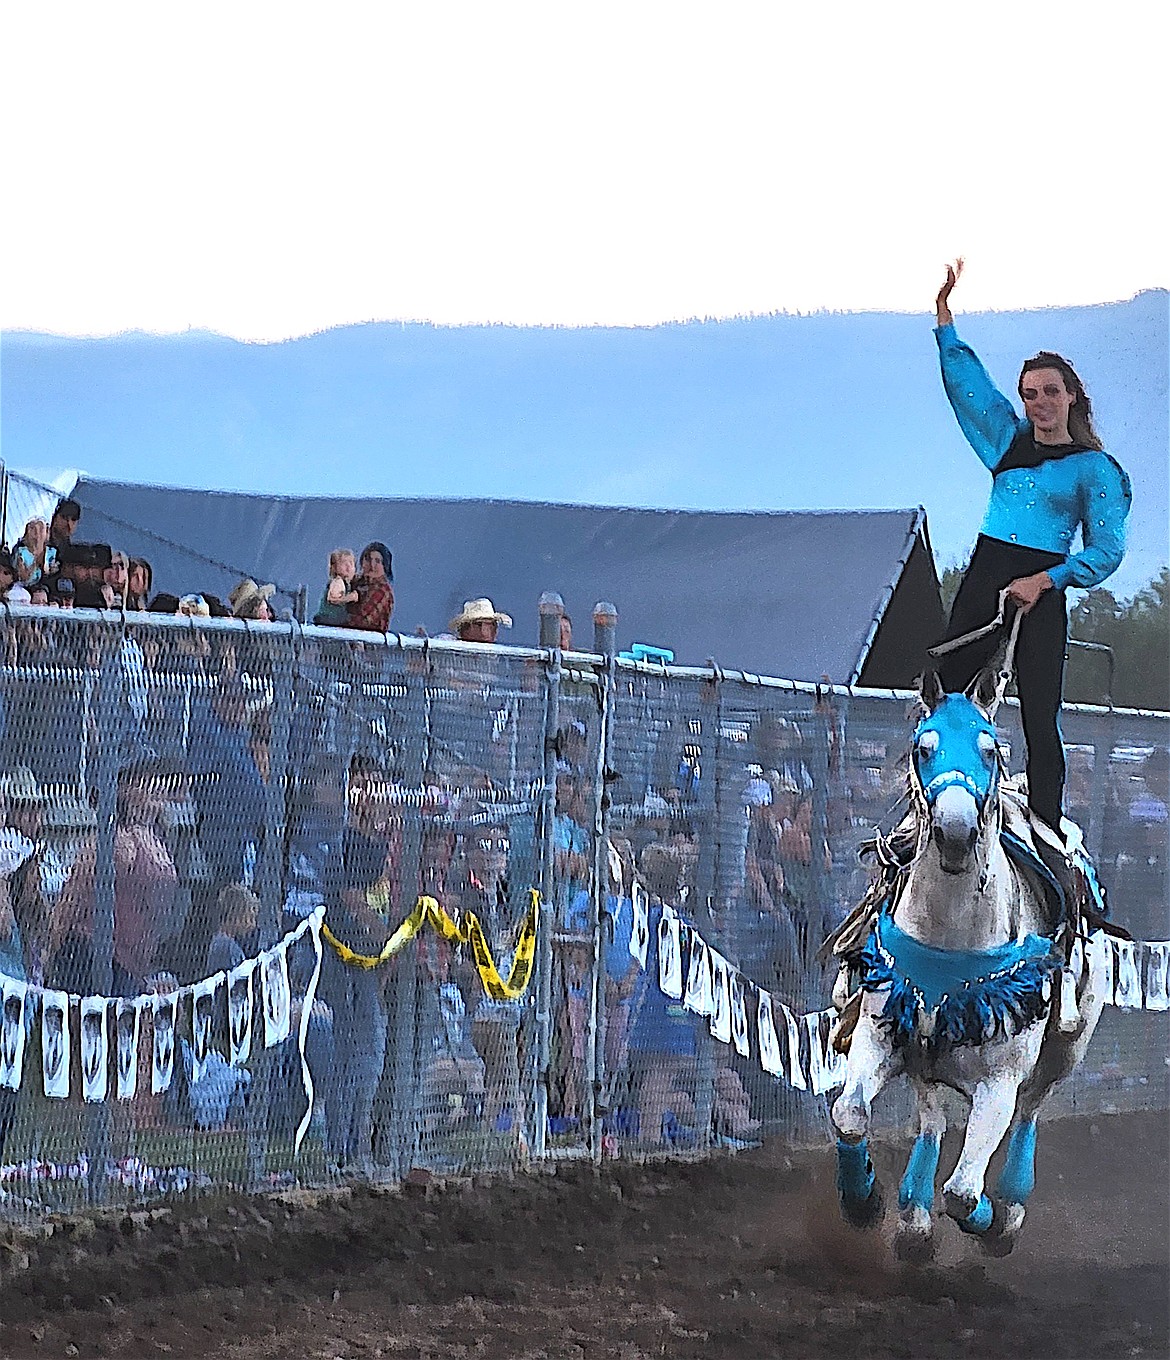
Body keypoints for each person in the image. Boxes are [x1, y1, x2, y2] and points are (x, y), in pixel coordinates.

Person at [933, 260, 1131, 837]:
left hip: (1040, 590)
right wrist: (945, 318)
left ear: (1071, 396)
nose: (1037, 402)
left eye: (1049, 392)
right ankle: (937, 816)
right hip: (985, 575)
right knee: (947, 699)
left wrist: (1046, 581)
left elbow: (1107, 550)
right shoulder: (1006, 440)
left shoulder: (1094, 469)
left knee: (1041, 721)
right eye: (1028, 394)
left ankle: (1046, 835)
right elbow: (968, 387)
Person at [346, 542, 394, 633]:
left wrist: (337, 619)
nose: (372, 565)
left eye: (377, 561)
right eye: (368, 559)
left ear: (385, 566)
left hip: (367, 642)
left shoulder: (383, 590)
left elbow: (363, 622)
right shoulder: (354, 582)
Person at [313, 548, 359, 626]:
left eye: (351, 563)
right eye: (344, 563)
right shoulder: (338, 582)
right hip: (329, 619)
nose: (348, 567)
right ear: (335, 567)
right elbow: (333, 599)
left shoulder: (346, 583)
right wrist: (350, 597)